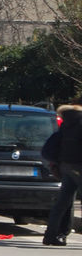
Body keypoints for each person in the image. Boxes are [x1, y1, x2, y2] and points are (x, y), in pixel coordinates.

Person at [42, 103, 82, 246]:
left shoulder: (66, 124)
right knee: (65, 202)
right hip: (79, 165)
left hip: (65, 166)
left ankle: (50, 236)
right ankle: (60, 234)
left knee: (63, 203)